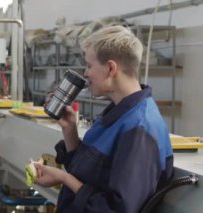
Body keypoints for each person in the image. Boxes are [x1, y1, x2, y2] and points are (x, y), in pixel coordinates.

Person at [35, 26, 173, 212]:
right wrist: (70, 130)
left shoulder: (139, 128)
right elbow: (89, 174)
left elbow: (116, 209)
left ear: (110, 68)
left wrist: (63, 178)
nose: (85, 73)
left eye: (89, 65)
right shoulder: (118, 113)